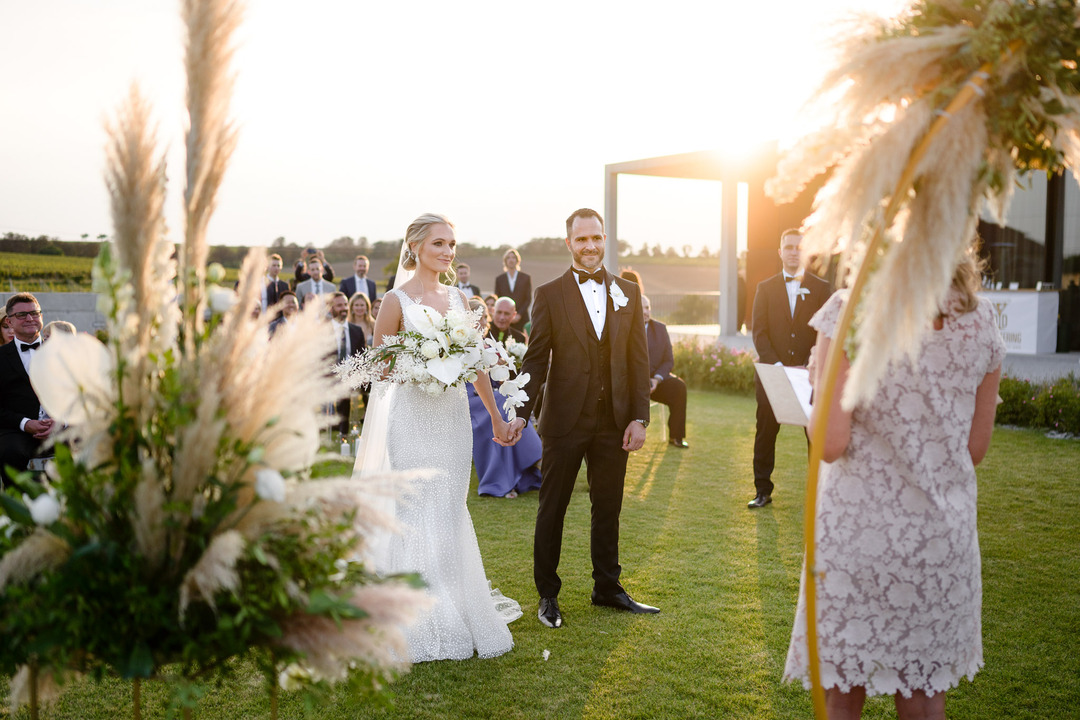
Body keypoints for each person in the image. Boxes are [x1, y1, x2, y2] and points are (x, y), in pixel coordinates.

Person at [785, 251, 1004, 720]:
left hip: (856, 539)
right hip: (940, 540)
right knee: (924, 703)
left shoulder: (852, 309)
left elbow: (829, 442)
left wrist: (819, 381)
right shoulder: (981, 316)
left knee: (842, 697)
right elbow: (975, 449)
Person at [355, 212, 522, 662]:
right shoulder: (394, 300)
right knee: (415, 507)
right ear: (415, 248)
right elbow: (376, 367)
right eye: (438, 244)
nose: (448, 252)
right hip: (411, 418)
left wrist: (497, 419)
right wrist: (419, 364)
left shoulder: (461, 300)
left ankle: (456, 606)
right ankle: (414, 614)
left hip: (451, 420)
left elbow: (479, 365)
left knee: (449, 506)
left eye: (452, 244)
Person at [510, 207, 658, 629]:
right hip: (564, 420)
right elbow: (536, 359)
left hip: (614, 420)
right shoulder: (550, 294)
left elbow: (638, 360)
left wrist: (639, 419)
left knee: (608, 506)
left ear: (604, 239)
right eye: (581, 239)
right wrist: (521, 413)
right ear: (569, 243)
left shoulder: (626, 291)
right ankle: (547, 595)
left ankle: (607, 588)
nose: (590, 246)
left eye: (596, 238)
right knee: (552, 506)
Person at [748, 228, 831, 508]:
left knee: (816, 433)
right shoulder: (764, 288)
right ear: (780, 252)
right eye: (789, 246)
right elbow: (759, 333)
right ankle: (762, 491)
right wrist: (779, 366)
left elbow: (826, 332)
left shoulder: (822, 288)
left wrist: (810, 364)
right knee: (766, 432)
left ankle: (821, 494)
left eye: (799, 247)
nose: (794, 251)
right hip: (774, 374)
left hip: (811, 376)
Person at [465, 299, 541, 499]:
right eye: (480, 318)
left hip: (490, 394)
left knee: (510, 403)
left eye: (484, 317)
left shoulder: (489, 343)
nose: (484, 322)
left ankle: (520, 475)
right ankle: (524, 465)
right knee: (500, 404)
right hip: (467, 397)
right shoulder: (461, 343)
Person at [0, 294, 54, 484]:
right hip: (17, 430)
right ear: (9, 321)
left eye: (34, 313)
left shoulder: (62, 351)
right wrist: (25, 423)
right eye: (22, 314)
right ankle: (17, 507)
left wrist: (61, 422)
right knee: (9, 453)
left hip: (61, 429)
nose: (30, 318)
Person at [642, 295, 688, 448]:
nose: (645, 312)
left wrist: (656, 379)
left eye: (647, 307)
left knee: (679, 387)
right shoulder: (626, 328)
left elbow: (668, 360)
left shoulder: (660, 329)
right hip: (632, 384)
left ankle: (676, 437)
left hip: (656, 382)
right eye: (641, 308)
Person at [328, 292, 366, 439]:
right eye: (339, 305)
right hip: (330, 375)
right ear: (331, 309)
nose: (344, 308)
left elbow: (361, 357)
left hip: (352, 374)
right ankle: (340, 430)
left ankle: (347, 431)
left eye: (345, 304)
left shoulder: (356, 331)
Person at [494, 249, 532, 333]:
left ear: (517, 260)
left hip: (521, 318)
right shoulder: (499, 279)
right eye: (508, 258)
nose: (511, 260)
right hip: (504, 319)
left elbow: (528, 299)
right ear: (505, 261)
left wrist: (519, 315)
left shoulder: (526, 278)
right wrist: (507, 315)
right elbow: (498, 298)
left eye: (513, 258)